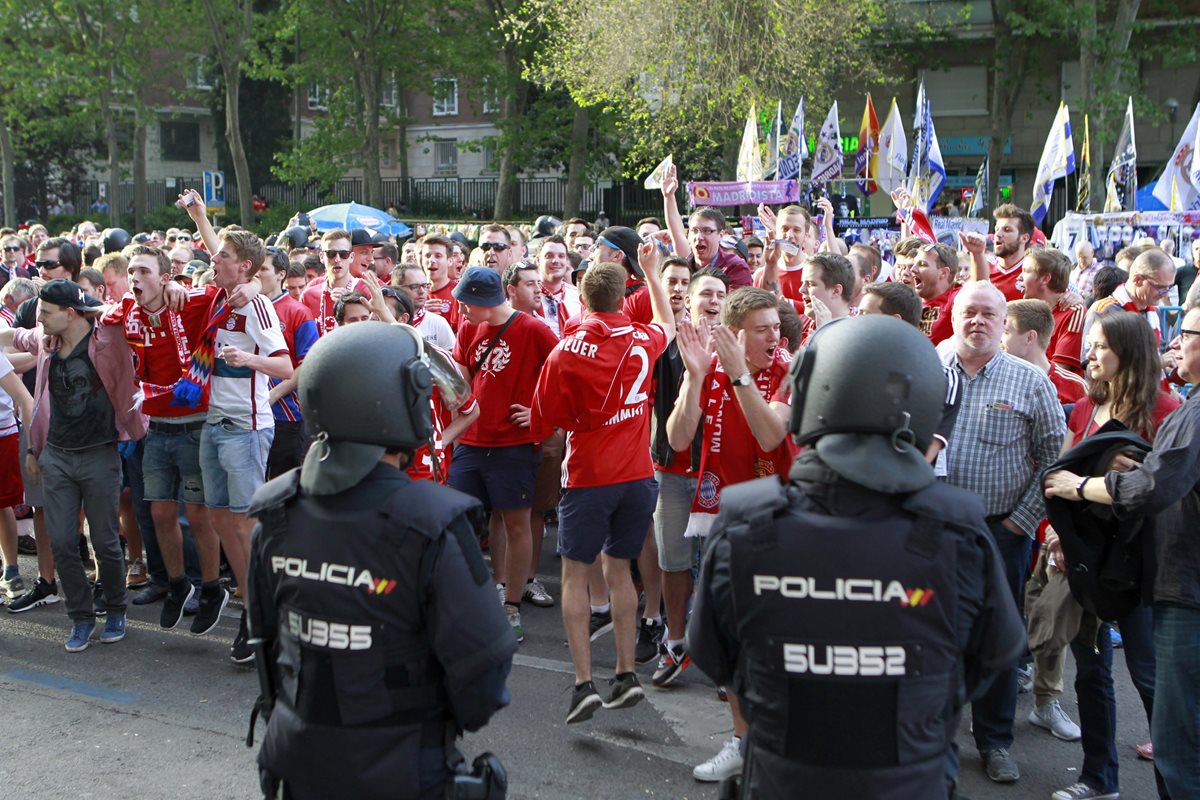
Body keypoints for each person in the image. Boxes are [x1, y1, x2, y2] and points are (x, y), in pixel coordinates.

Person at [688, 314, 1025, 799]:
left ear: (810, 395)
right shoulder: (957, 531)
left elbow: (715, 656)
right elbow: (989, 657)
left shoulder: (747, 523)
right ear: (923, 403)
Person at [246, 321, 516, 800]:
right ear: (402, 403)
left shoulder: (275, 510)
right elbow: (485, 665)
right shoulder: (433, 521)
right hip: (403, 768)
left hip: (299, 760)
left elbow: (265, 640)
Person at [1044, 301, 1200, 800]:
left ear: (1127, 352)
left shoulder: (1167, 410)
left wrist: (1090, 487)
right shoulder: (1089, 405)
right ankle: (1098, 778)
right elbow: (1061, 471)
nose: (1089, 354)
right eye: (1089, 343)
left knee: (1157, 688)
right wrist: (1056, 535)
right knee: (1092, 672)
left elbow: (1155, 490)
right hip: (1091, 561)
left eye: (1101, 346)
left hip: (1148, 571)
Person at [530, 243, 673, 724]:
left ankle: (583, 684)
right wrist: (652, 273)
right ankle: (627, 673)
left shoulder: (565, 349)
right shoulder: (642, 338)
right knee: (620, 570)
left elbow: (543, 418)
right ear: (622, 296)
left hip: (589, 477)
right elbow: (668, 326)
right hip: (637, 476)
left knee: (575, 575)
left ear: (583, 298)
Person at [944, 280, 1066, 785]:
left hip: (1002, 532)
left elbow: (1056, 460)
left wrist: (1023, 520)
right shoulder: (927, 371)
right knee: (932, 636)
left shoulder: (1029, 381)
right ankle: (934, 740)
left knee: (995, 637)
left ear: (1004, 324)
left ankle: (994, 741)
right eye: (968, 312)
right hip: (933, 533)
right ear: (952, 317)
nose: (977, 322)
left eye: (988, 315)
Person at [1, 280, 146, 651]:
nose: (40, 319)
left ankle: (115, 609)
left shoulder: (108, 339)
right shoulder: (45, 341)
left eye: (47, 313)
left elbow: (135, 307)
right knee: (65, 542)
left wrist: (96, 307)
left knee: (106, 542)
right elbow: (15, 336)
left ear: (70, 313)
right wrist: (35, 451)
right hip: (57, 455)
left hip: (100, 453)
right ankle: (81, 618)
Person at [450, 266, 558, 642]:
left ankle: (511, 606)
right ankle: (481, 593)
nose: (461, 311)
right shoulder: (468, 329)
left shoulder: (534, 329)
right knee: (462, 520)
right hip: (472, 441)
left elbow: (564, 372)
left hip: (513, 445)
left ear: (484, 299)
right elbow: (462, 377)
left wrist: (540, 414)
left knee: (516, 521)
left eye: (466, 303)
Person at [1002, 299, 1087, 406]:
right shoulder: (997, 379)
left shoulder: (1075, 387)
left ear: (1030, 337)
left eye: (1005, 332)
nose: (999, 338)